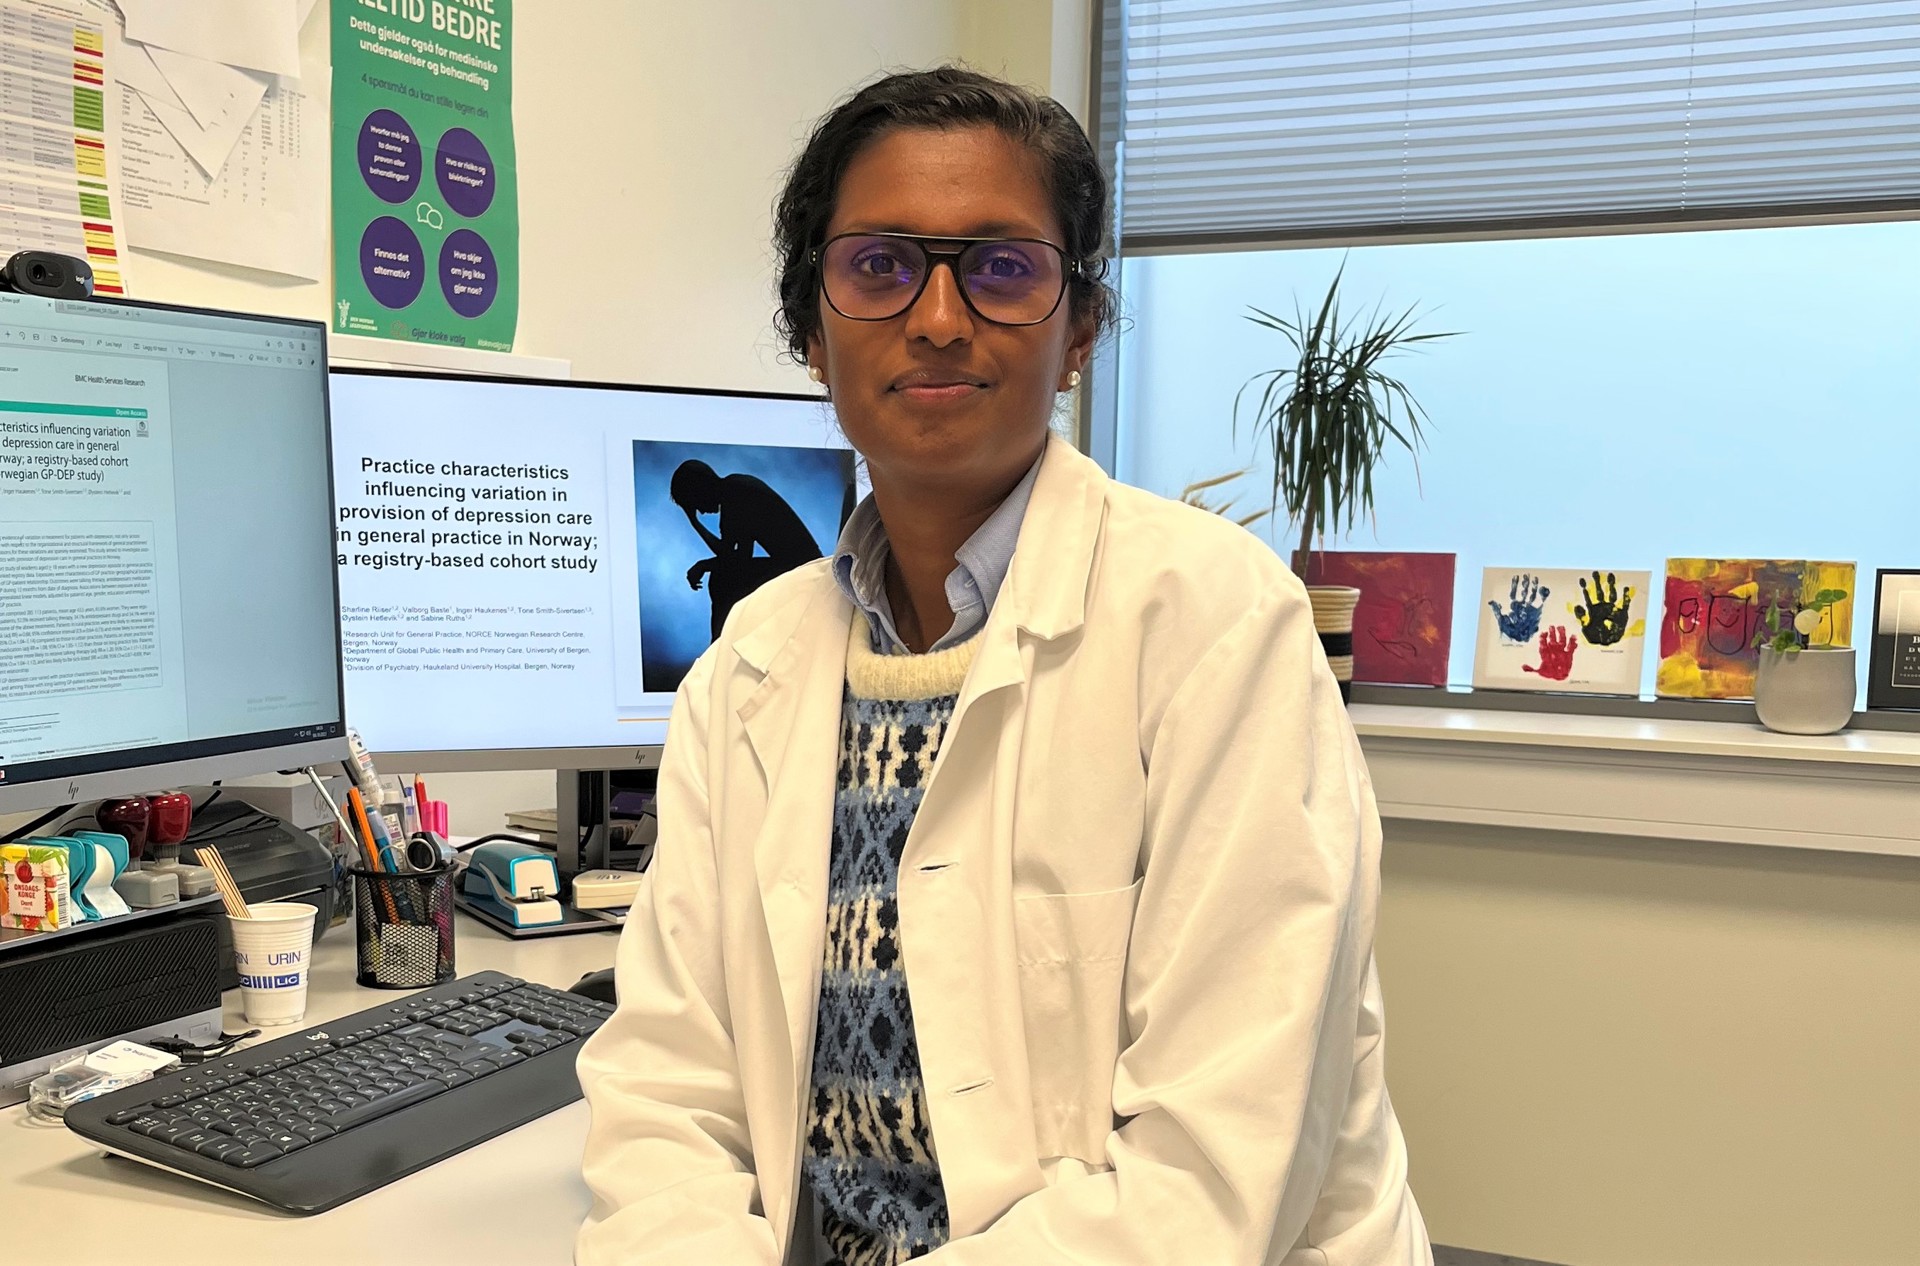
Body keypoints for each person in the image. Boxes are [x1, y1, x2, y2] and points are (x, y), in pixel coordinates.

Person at [577, 67, 1430, 1266]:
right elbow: (669, 1088)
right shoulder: (749, 668)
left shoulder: (1217, 626)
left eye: (1001, 268)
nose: (936, 317)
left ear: (1078, 330)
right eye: (878, 266)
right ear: (808, 331)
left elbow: (1212, 1171)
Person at [669, 459, 824, 638]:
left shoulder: (736, 494)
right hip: (796, 566)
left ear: (700, 490)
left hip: (803, 569)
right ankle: (721, 644)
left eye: (695, 505)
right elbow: (729, 555)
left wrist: (703, 565)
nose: (701, 512)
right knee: (724, 576)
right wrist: (695, 523)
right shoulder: (733, 490)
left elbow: (737, 560)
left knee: (722, 579)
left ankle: (720, 646)